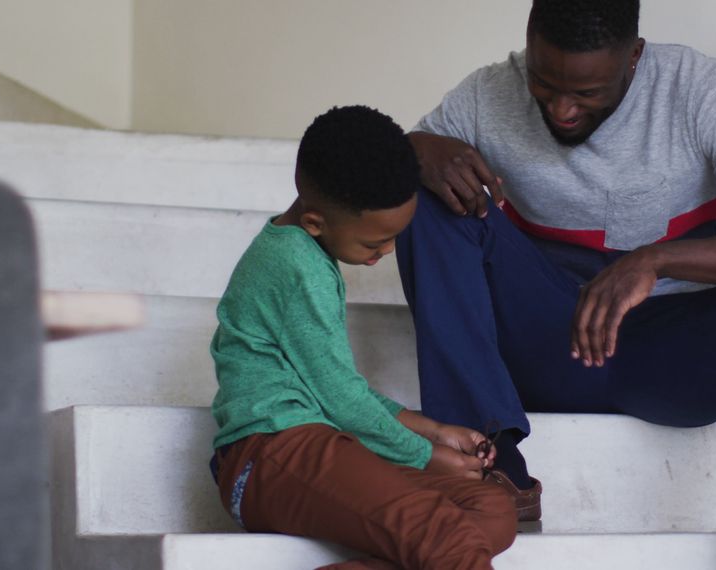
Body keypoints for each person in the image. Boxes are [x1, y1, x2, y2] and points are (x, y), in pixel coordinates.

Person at [396, 1, 716, 569]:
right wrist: (415, 149)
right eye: (545, 84)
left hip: (672, 355)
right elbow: (384, 171)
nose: (562, 109)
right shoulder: (488, 92)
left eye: (587, 93)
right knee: (425, 197)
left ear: (633, 57)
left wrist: (656, 260)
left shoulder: (703, 91)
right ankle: (490, 470)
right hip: (548, 341)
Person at [208, 105, 517, 570]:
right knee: (443, 532)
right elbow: (341, 400)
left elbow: (337, 389)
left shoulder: (306, 252)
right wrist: (426, 455)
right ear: (315, 222)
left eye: (394, 237)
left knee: (491, 511)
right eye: (374, 244)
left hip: (318, 445)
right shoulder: (295, 267)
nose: (387, 252)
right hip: (271, 454)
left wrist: (433, 429)